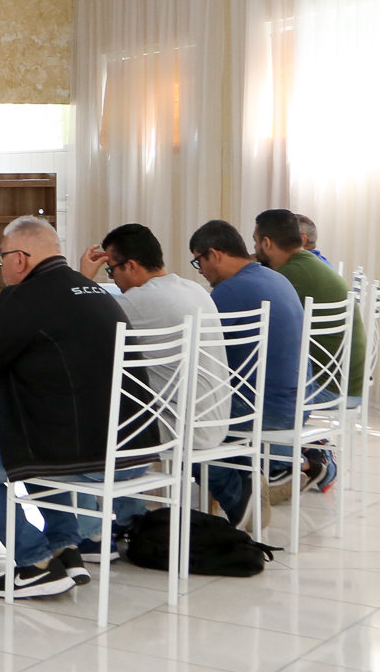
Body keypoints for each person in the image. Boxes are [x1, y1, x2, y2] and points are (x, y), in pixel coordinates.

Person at [0, 216, 130, 599]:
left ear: (20, 259)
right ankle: (64, 550)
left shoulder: (23, 298)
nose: (1, 265)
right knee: (30, 443)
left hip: (78, 451)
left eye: (1, 257)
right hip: (128, 446)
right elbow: (48, 346)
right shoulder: (94, 291)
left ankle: (34, 563)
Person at [73, 222, 219, 561]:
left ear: (132, 266)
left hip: (177, 428)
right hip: (213, 418)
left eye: (111, 270)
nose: (112, 279)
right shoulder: (194, 289)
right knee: (122, 406)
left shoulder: (139, 302)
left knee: (73, 426)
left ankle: (92, 536)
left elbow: (75, 328)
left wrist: (84, 278)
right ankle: (128, 518)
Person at [191, 219, 306, 523]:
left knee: (179, 423)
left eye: (198, 261)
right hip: (298, 404)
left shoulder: (231, 292)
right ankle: (251, 479)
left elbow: (197, 355)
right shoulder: (274, 278)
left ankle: (239, 495)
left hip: (265, 409)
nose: (200, 270)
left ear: (214, 254)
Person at [253, 209, 360, 494]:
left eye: (254, 243)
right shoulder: (307, 265)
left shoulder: (290, 275)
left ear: (266, 243)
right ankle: (295, 456)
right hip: (345, 380)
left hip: (329, 386)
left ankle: (298, 460)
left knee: (259, 389)